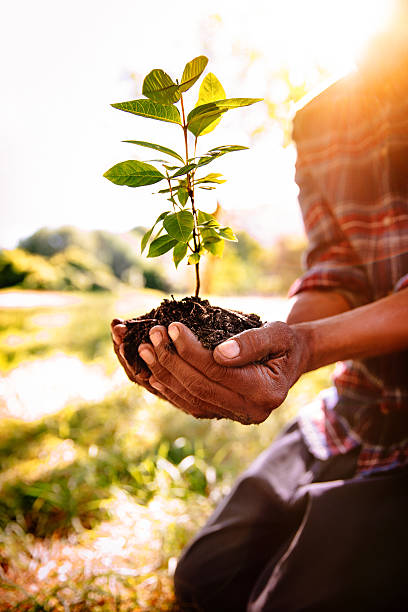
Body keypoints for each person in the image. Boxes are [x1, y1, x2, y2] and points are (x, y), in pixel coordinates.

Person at [111, 6, 408, 610]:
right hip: (355, 406)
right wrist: (272, 347)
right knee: (205, 580)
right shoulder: (323, 121)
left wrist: (313, 346)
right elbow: (336, 273)